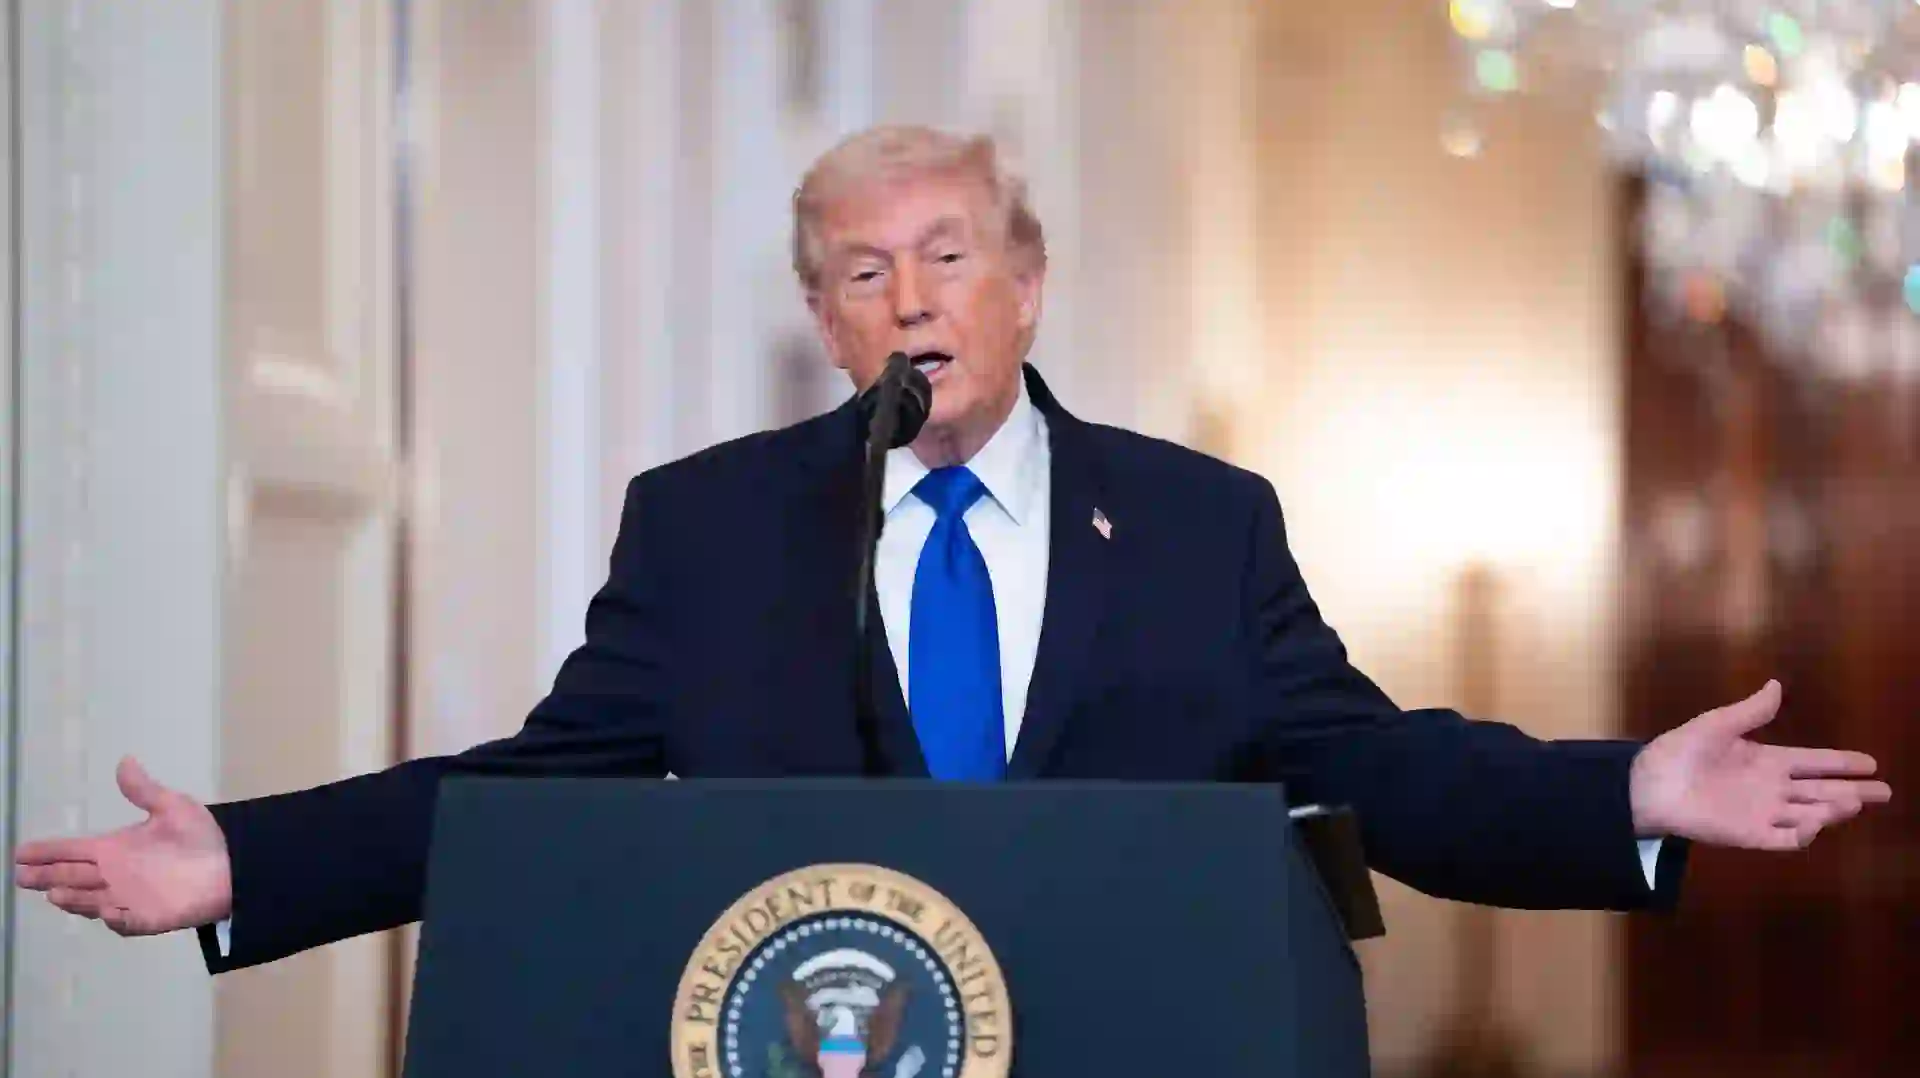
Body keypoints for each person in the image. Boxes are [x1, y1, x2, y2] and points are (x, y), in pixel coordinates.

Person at [14, 126, 1891, 973]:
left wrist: (1626, 787)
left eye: (948, 253)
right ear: (826, 325)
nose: (909, 296)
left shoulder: (1193, 521)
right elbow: (544, 788)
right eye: (861, 269)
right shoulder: (716, 526)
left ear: (1026, 279)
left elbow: (1373, 766)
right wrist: (248, 861)